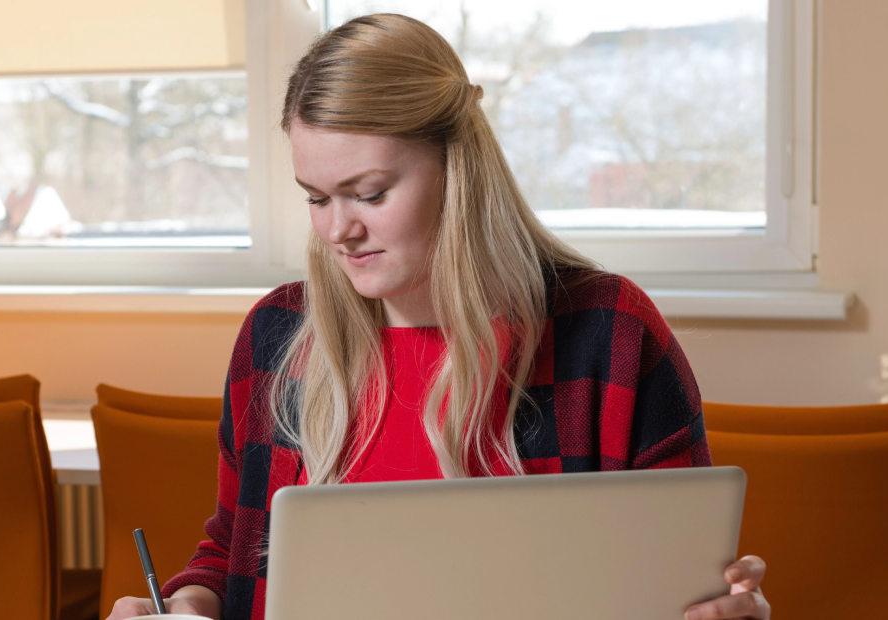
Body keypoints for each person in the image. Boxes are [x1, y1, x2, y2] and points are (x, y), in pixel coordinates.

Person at [108, 13, 769, 620]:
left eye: (369, 193)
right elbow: (235, 542)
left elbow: (680, 571)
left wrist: (726, 609)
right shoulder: (277, 337)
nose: (340, 230)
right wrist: (185, 605)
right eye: (315, 197)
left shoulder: (607, 334)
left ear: (458, 168)